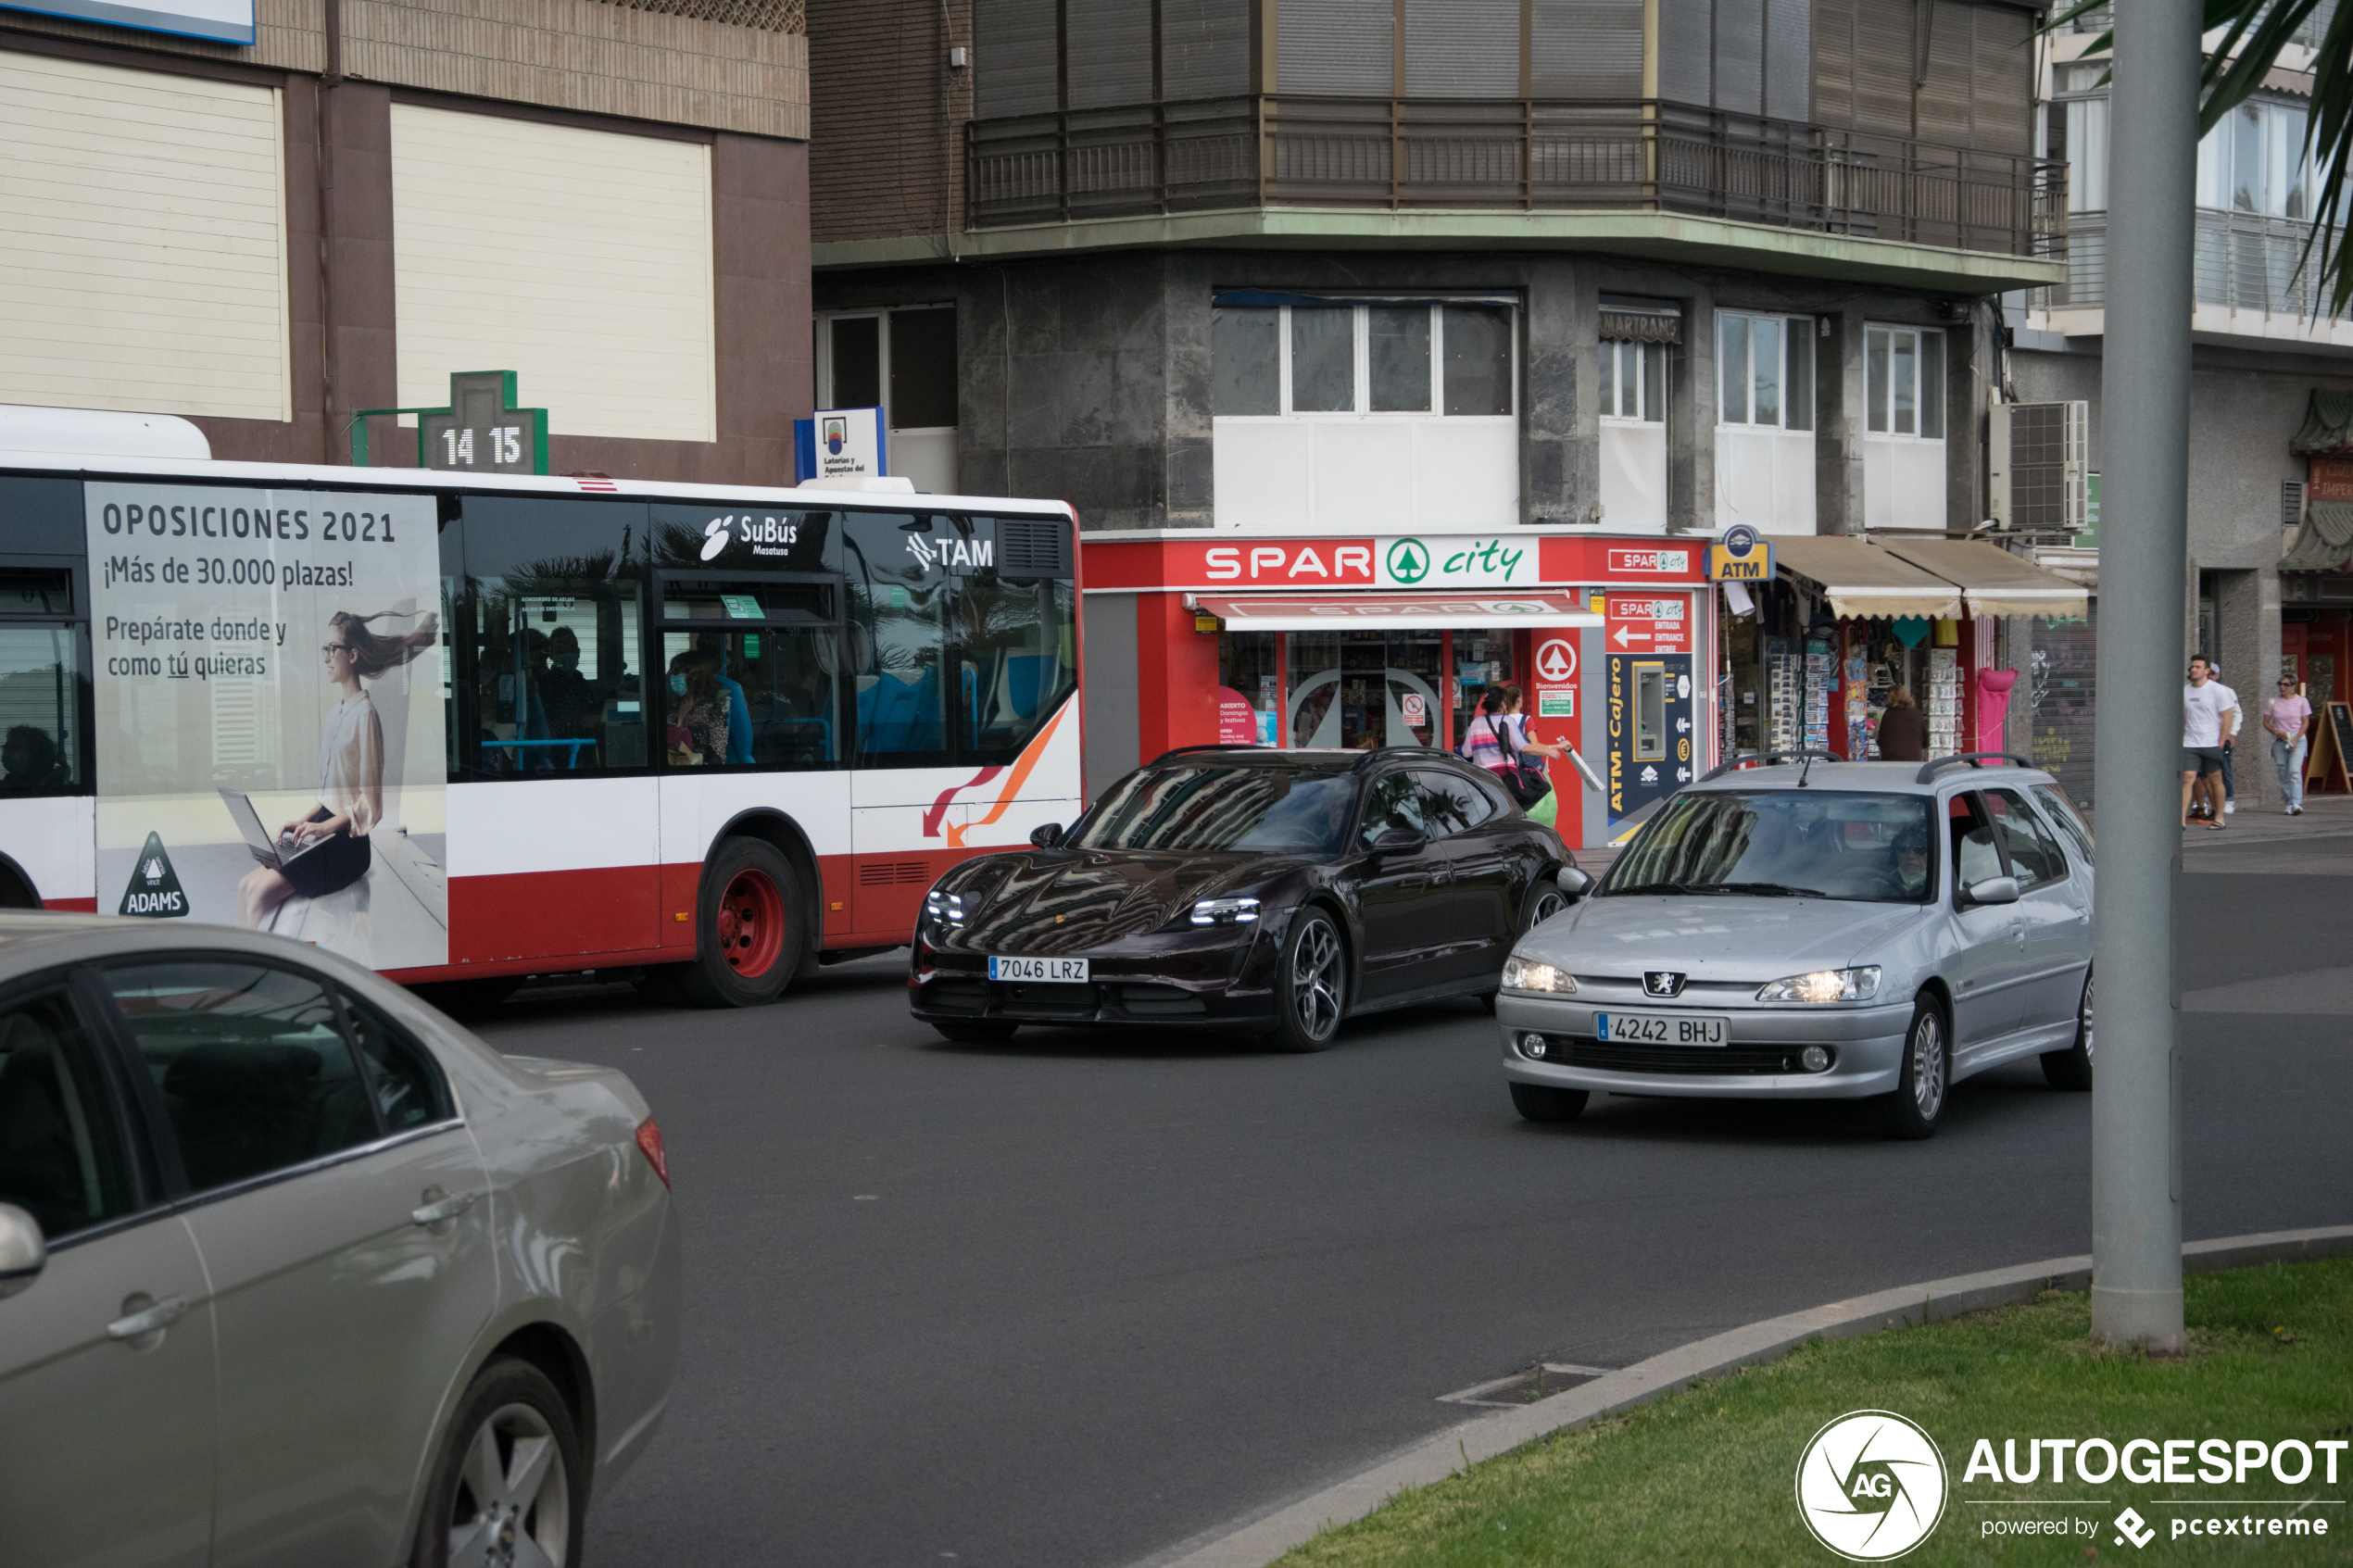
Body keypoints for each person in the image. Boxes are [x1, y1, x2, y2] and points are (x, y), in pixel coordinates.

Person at [239, 608, 437, 929]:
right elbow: (330, 796)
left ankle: (262, 972)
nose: (327, 657)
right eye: (325, 650)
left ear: (353, 655)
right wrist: (302, 822)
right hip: (324, 830)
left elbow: (371, 806)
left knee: (260, 894)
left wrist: (321, 828)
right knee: (245, 886)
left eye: (333, 649)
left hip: (346, 845)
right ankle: (242, 971)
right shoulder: (336, 714)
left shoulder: (366, 715)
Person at [2182, 656, 2233, 831]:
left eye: (2197, 667)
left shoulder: (2218, 691)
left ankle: (2219, 817)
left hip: (2211, 742)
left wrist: (2221, 741)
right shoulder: (2185, 690)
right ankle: (2180, 819)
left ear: (2206, 671)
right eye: (2192, 667)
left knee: (2214, 780)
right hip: (2190, 742)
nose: (2193, 669)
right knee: (2188, 777)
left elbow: (2227, 717)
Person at [2264, 671, 2313, 816]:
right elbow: (2266, 723)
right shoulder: (2272, 702)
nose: (2282, 687)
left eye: (2286, 684)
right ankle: (2289, 802)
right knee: (2282, 772)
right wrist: (2275, 732)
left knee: (2294, 771)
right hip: (2280, 740)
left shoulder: (2301, 701)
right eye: (2280, 684)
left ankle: (2297, 803)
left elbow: (2305, 723)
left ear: (2293, 686)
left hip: (2297, 739)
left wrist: (2296, 738)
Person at [667, 648, 725, 765]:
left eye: (680, 673)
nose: (674, 677)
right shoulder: (671, 706)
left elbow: (717, 757)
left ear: (697, 677)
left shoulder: (713, 709)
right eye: (673, 672)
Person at [2208, 659, 2243, 814]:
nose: (2210, 676)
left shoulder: (2226, 691)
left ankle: (2229, 799)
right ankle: (2205, 800)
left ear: (2218, 675)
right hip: (2205, 736)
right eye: (2207, 673)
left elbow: (2236, 713)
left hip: (2222, 736)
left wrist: (2232, 733)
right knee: (2203, 771)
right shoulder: (2198, 691)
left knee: (2225, 767)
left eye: (2213, 674)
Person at [0, 726, 62, 790]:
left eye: (14, 747)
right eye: (6, 747)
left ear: (35, 752)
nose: (8, 751)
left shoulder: (51, 784)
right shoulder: (9, 782)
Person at [1875, 686, 1927, 762]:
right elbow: (1925, 736)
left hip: (1890, 757)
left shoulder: (1884, 713)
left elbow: (1879, 736)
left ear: (1890, 698)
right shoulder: (1917, 713)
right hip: (1913, 756)